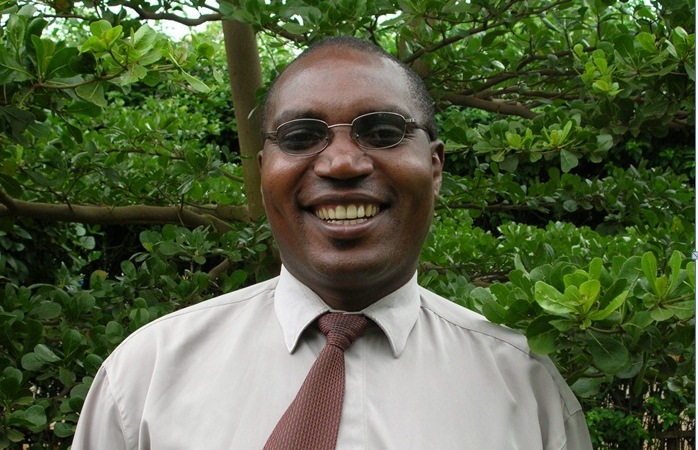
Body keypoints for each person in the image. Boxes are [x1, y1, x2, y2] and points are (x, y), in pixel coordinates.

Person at [72, 36, 593, 449]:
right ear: (263, 173)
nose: (341, 163)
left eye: (382, 131)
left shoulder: (527, 389)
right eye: (300, 137)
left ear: (435, 167)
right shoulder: (143, 378)